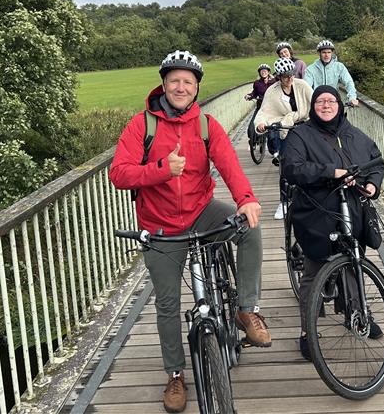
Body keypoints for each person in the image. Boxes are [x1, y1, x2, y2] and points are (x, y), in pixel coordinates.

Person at [109, 49, 271, 413]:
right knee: (167, 304)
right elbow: (119, 173)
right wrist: (162, 169)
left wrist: (246, 198)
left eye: (188, 81)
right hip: (160, 224)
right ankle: (175, 375)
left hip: (201, 211)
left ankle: (246, 309)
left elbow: (229, 163)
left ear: (197, 87)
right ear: (164, 85)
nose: (181, 87)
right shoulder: (142, 125)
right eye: (174, 81)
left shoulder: (206, 125)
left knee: (249, 227)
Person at [280, 85, 384, 360]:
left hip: (351, 209)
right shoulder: (300, 134)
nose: (326, 105)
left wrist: (372, 185)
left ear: (339, 105)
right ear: (313, 105)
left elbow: (376, 163)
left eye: (331, 101)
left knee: (354, 261)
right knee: (315, 271)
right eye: (320, 101)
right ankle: (307, 332)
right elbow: (292, 168)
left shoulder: (353, 135)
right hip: (316, 211)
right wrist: (332, 172)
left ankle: (359, 313)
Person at [254, 57, 313, 167]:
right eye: (286, 76)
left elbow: (315, 101)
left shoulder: (302, 85)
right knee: (285, 153)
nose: (290, 78)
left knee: (313, 152)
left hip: (305, 122)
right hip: (285, 125)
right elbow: (264, 111)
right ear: (279, 77)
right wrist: (260, 124)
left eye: (292, 74)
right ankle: (281, 160)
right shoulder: (272, 91)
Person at [304, 39, 359, 106]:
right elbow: (306, 87)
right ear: (319, 53)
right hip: (317, 103)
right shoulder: (310, 69)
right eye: (324, 52)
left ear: (332, 53)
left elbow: (348, 82)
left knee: (342, 116)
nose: (326, 55)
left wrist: (352, 97)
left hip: (334, 102)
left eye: (329, 52)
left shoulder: (339, 67)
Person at [244, 63, 277, 146]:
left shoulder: (274, 82)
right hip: (260, 108)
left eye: (265, 71)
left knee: (272, 130)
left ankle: (274, 148)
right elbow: (254, 93)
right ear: (259, 73)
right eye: (262, 71)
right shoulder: (257, 83)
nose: (263, 72)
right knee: (251, 127)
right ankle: (255, 140)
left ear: (269, 72)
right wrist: (249, 96)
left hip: (271, 109)